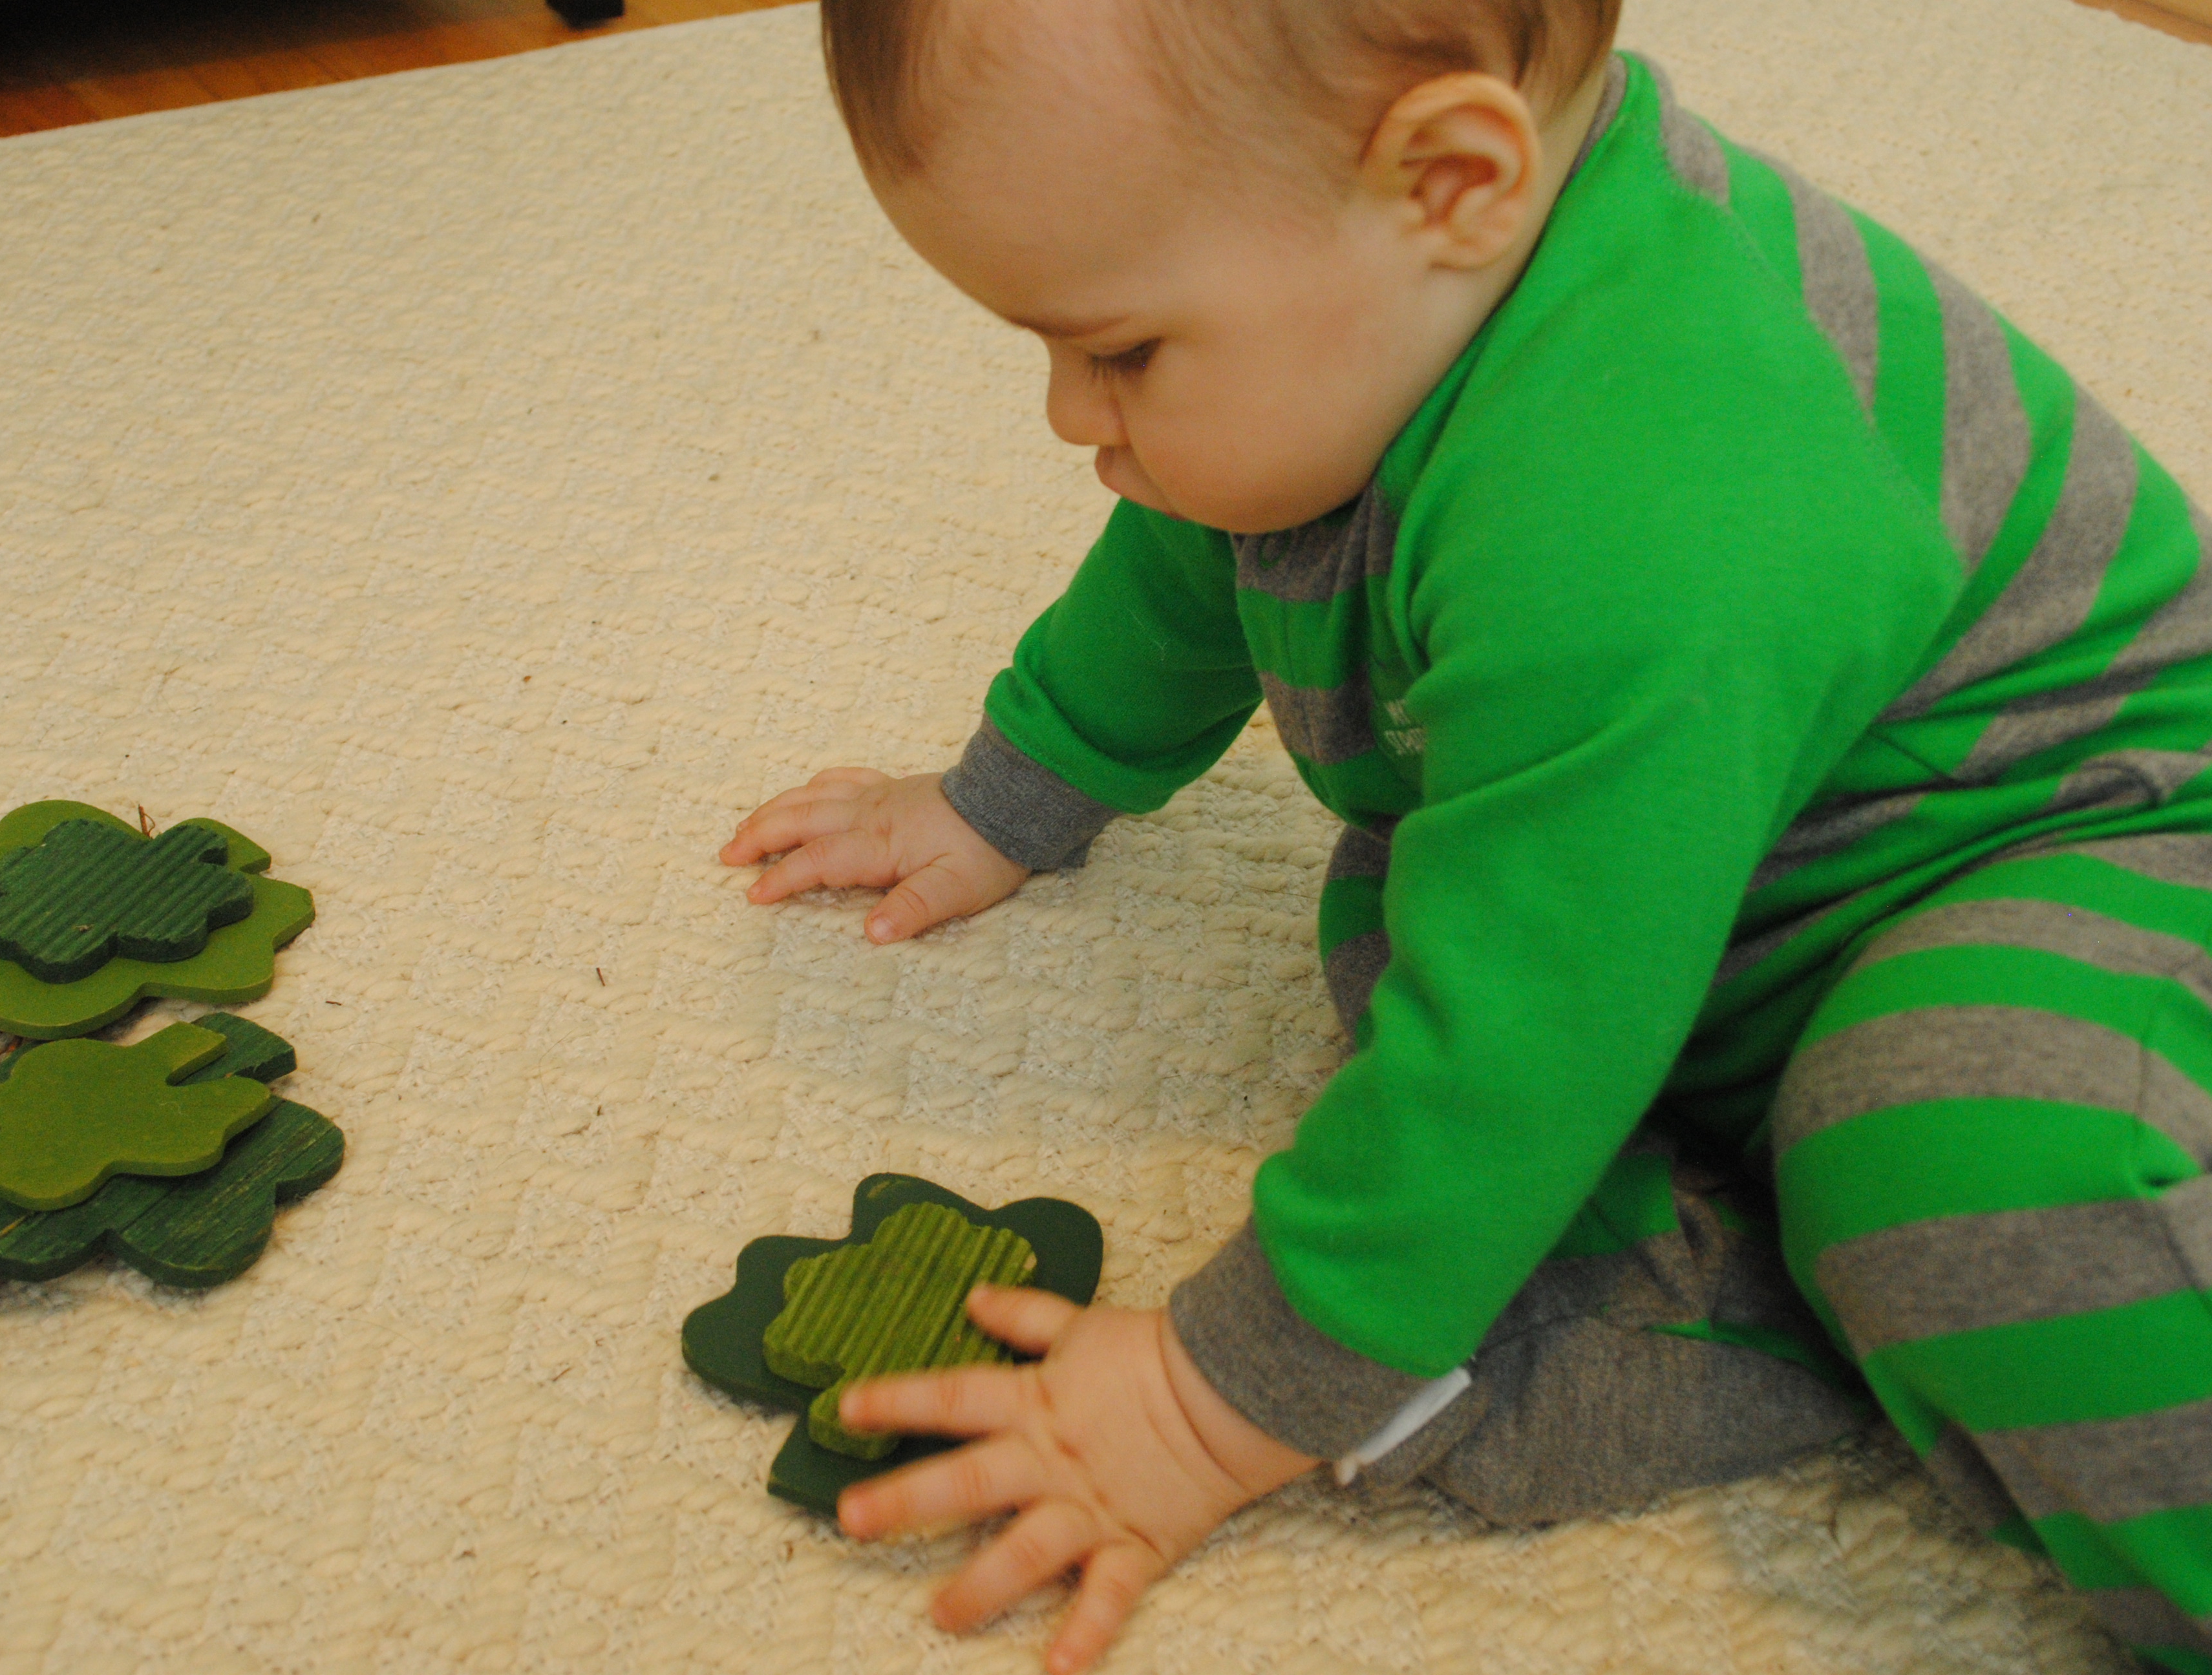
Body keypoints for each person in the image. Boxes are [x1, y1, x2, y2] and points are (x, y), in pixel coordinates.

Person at [716, 1, 2212, 1670]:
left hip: (2097, 862)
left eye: (1122, 352)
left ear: (1449, 182)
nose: (1076, 415)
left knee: (1958, 1165)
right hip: (1690, 870)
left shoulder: (1647, 497)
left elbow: (1535, 1003)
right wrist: (1011, 790)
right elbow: (1209, 528)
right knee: (1412, 944)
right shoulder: (1406, 311)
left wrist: (1219, 1400)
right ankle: (1742, 1272)